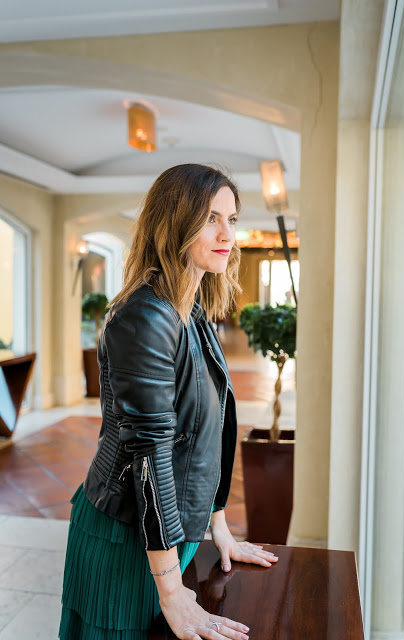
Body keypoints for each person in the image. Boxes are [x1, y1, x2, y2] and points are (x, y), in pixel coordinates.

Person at [59, 164, 278, 640]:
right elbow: (149, 455)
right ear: (175, 222)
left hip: (166, 534)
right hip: (128, 536)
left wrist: (219, 527)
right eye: (210, 219)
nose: (227, 235)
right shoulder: (146, 316)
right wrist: (172, 589)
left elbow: (205, 437)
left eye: (231, 219)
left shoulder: (191, 309)